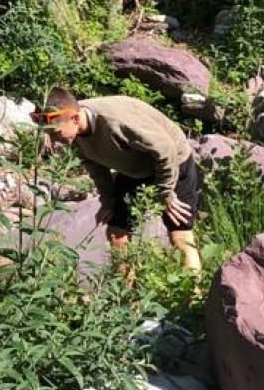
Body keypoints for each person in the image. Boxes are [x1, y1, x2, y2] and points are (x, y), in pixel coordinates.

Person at [35, 88, 203, 272]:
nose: (53, 140)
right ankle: (125, 296)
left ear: (74, 118)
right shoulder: (72, 132)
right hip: (133, 167)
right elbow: (96, 168)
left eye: (56, 134)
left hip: (173, 162)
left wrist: (166, 194)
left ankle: (192, 296)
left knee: (180, 236)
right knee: (116, 234)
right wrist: (108, 202)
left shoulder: (116, 122)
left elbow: (166, 149)